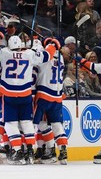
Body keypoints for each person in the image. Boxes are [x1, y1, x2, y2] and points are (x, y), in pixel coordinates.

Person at [0, 32, 58, 164]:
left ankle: (17, 149)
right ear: (21, 45)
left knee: (10, 123)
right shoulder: (29, 54)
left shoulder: (4, 53)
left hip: (8, 94)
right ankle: (30, 150)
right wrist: (52, 45)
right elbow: (47, 55)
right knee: (26, 123)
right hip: (25, 94)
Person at [33, 37, 68, 165]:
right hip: (57, 96)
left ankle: (32, 150)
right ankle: (62, 151)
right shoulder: (61, 58)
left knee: (34, 123)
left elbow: (39, 58)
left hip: (44, 94)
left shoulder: (46, 55)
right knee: (56, 125)